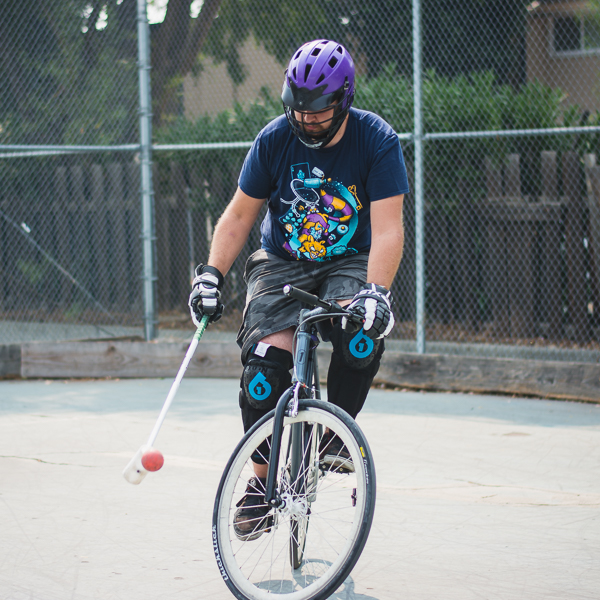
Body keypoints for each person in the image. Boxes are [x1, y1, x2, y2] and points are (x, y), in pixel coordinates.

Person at [189, 39, 409, 540]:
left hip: (351, 259)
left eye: (317, 113)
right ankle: (262, 485)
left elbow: (390, 227)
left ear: (344, 100)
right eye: (297, 111)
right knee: (263, 372)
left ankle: (335, 433)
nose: (305, 121)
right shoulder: (273, 140)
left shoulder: (376, 140)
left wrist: (376, 292)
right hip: (283, 261)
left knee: (359, 336)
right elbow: (240, 215)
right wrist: (210, 274)